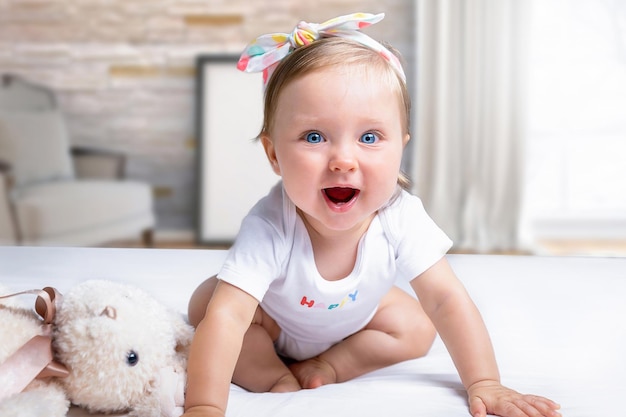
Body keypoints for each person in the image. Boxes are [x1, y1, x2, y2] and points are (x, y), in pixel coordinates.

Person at [183, 12, 561, 417]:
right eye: (314, 137)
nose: (344, 160)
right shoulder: (271, 225)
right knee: (209, 307)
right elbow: (229, 317)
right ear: (274, 154)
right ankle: (276, 377)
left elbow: (447, 299)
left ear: (401, 146)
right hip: (272, 324)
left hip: (353, 323)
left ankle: (331, 365)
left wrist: (485, 383)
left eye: (369, 137)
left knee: (418, 325)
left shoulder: (399, 215)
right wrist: (203, 407)